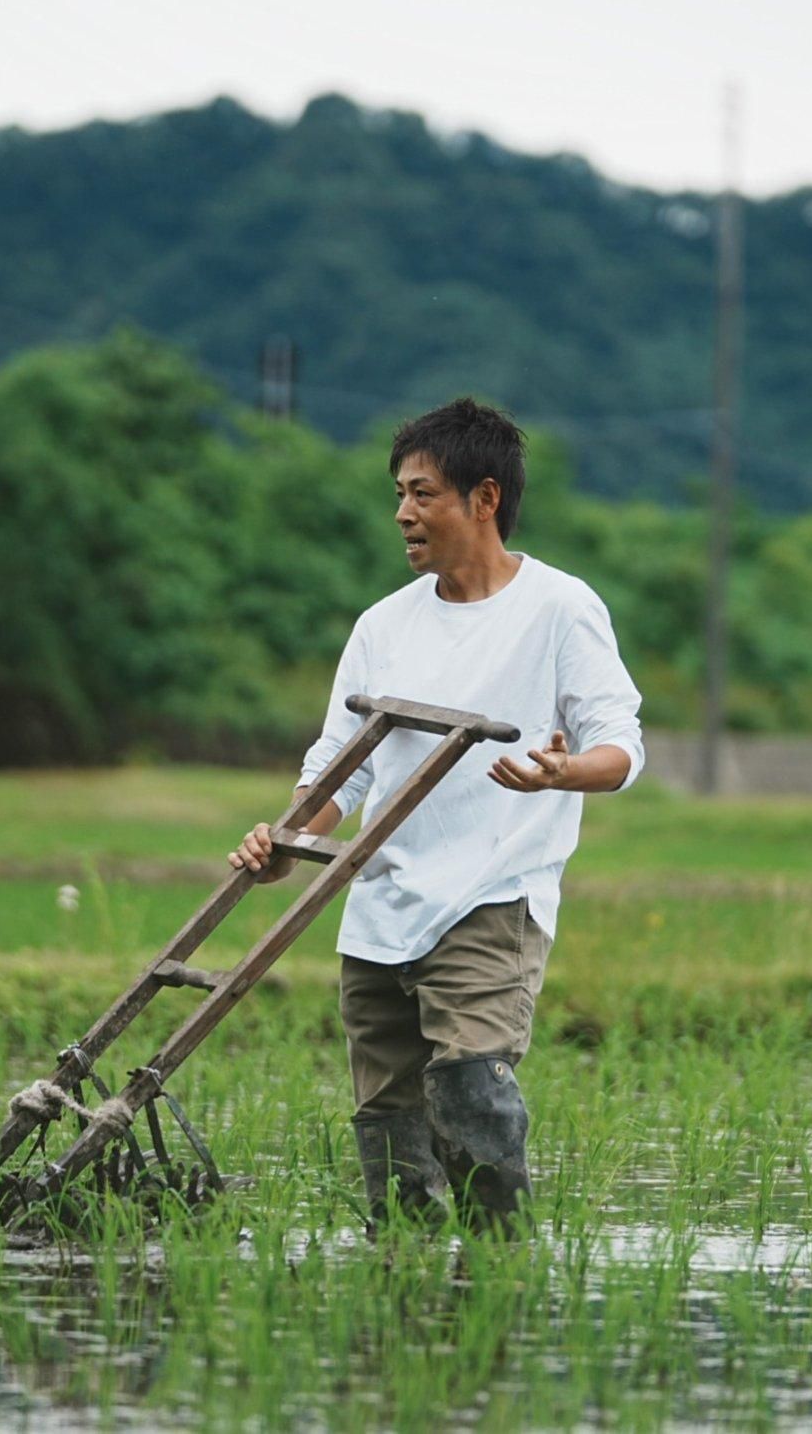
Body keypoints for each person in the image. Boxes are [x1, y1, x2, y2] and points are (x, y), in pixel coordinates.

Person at [228, 397, 644, 1231]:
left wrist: (562, 773)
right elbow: (338, 766)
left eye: (422, 494)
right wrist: (287, 838)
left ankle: (498, 1268)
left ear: (483, 500)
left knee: (467, 1080)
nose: (402, 514)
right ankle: (408, 1291)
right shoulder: (384, 624)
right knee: (387, 1119)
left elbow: (621, 747)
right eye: (399, 495)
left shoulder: (559, 608)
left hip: (492, 894)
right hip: (379, 903)